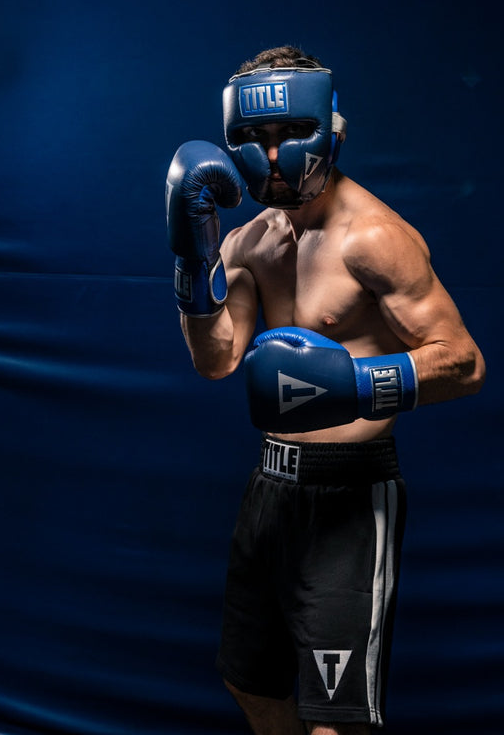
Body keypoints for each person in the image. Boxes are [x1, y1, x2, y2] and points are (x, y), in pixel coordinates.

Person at [165, 45, 485, 735]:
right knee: (250, 683)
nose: (272, 156)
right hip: (270, 485)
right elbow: (217, 360)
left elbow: (463, 364)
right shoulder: (249, 241)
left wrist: (351, 386)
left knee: (335, 719)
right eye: (255, 136)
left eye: (290, 133)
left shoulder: (373, 238)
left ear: (330, 129)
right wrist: (194, 260)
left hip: (351, 494)